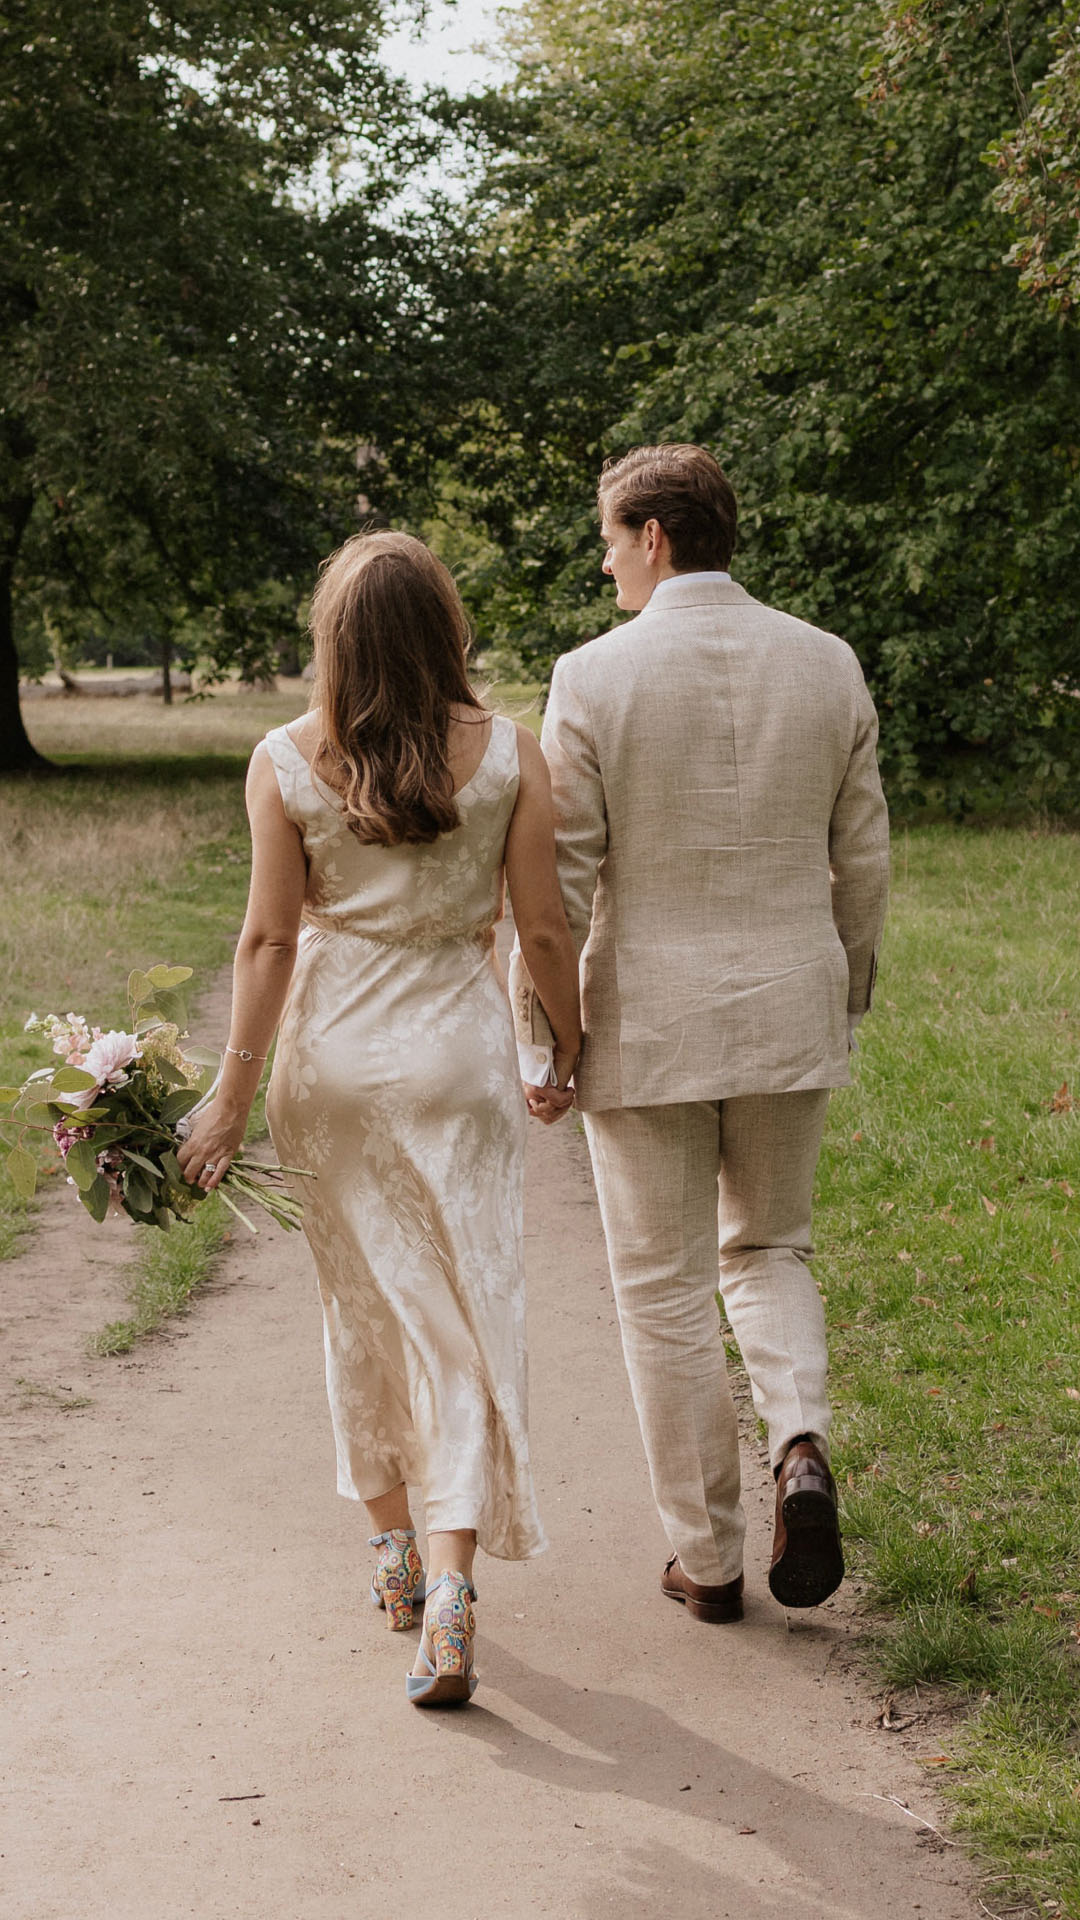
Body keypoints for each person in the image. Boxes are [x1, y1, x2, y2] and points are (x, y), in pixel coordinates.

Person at [177, 530, 581, 1704]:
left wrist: (229, 1096)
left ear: (335, 641)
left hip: (332, 1066)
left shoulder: (286, 760)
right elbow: (545, 929)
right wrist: (565, 1036)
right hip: (457, 1061)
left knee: (363, 1311)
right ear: (445, 628)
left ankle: (397, 1555)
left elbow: (266, 941)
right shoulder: (510, 755)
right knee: (462, 1312)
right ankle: (454, 1586)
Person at [512, 444, 889, 1620]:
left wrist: (546, 1036)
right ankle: (801, 1442)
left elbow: (559, 888)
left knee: (664, 1290)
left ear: (656, 535)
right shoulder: (827, 664)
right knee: (772, 1249)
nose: (607, 559)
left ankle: (711, 1560)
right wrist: (846, 989)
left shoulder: (591, 678)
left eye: (612, 538)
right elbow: (862, 860)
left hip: (648, 1022)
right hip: (788, 999)